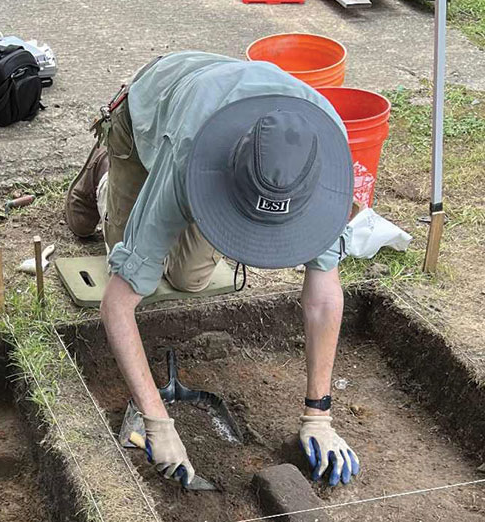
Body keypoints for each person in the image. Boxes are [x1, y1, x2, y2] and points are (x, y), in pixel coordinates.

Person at [66, 52, 362, 489]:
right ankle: (104, 169)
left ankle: (158, 208)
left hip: (214, 118)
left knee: (189, 279)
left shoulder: (321, 163)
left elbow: (322, 295)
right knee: (110, 243)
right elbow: (117, 304)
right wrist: (156, 420)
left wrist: (319, 413)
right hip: (150, 111)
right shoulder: (184, 155)